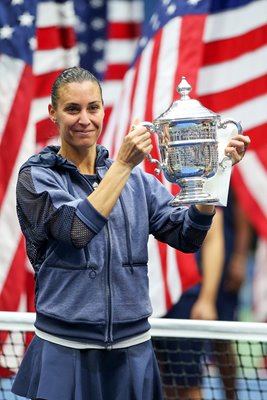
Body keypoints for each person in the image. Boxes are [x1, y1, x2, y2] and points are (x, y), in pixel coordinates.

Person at [11, 66, 250, 400]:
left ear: (103, 110)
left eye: (93, 108)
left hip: (133, 348)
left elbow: (187, 238)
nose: (85, 119)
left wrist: (212, 175)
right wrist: (123, 165)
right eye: (72, 109)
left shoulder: (139, 182)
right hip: (64, 347)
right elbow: (76, 230)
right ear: (53, 113)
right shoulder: (36, 177)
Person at [158, 188, 252, 400]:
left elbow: (217, 228)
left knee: (187, 385)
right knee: (162, 384)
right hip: (149, 297)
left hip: (190, 291)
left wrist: (207, 299)